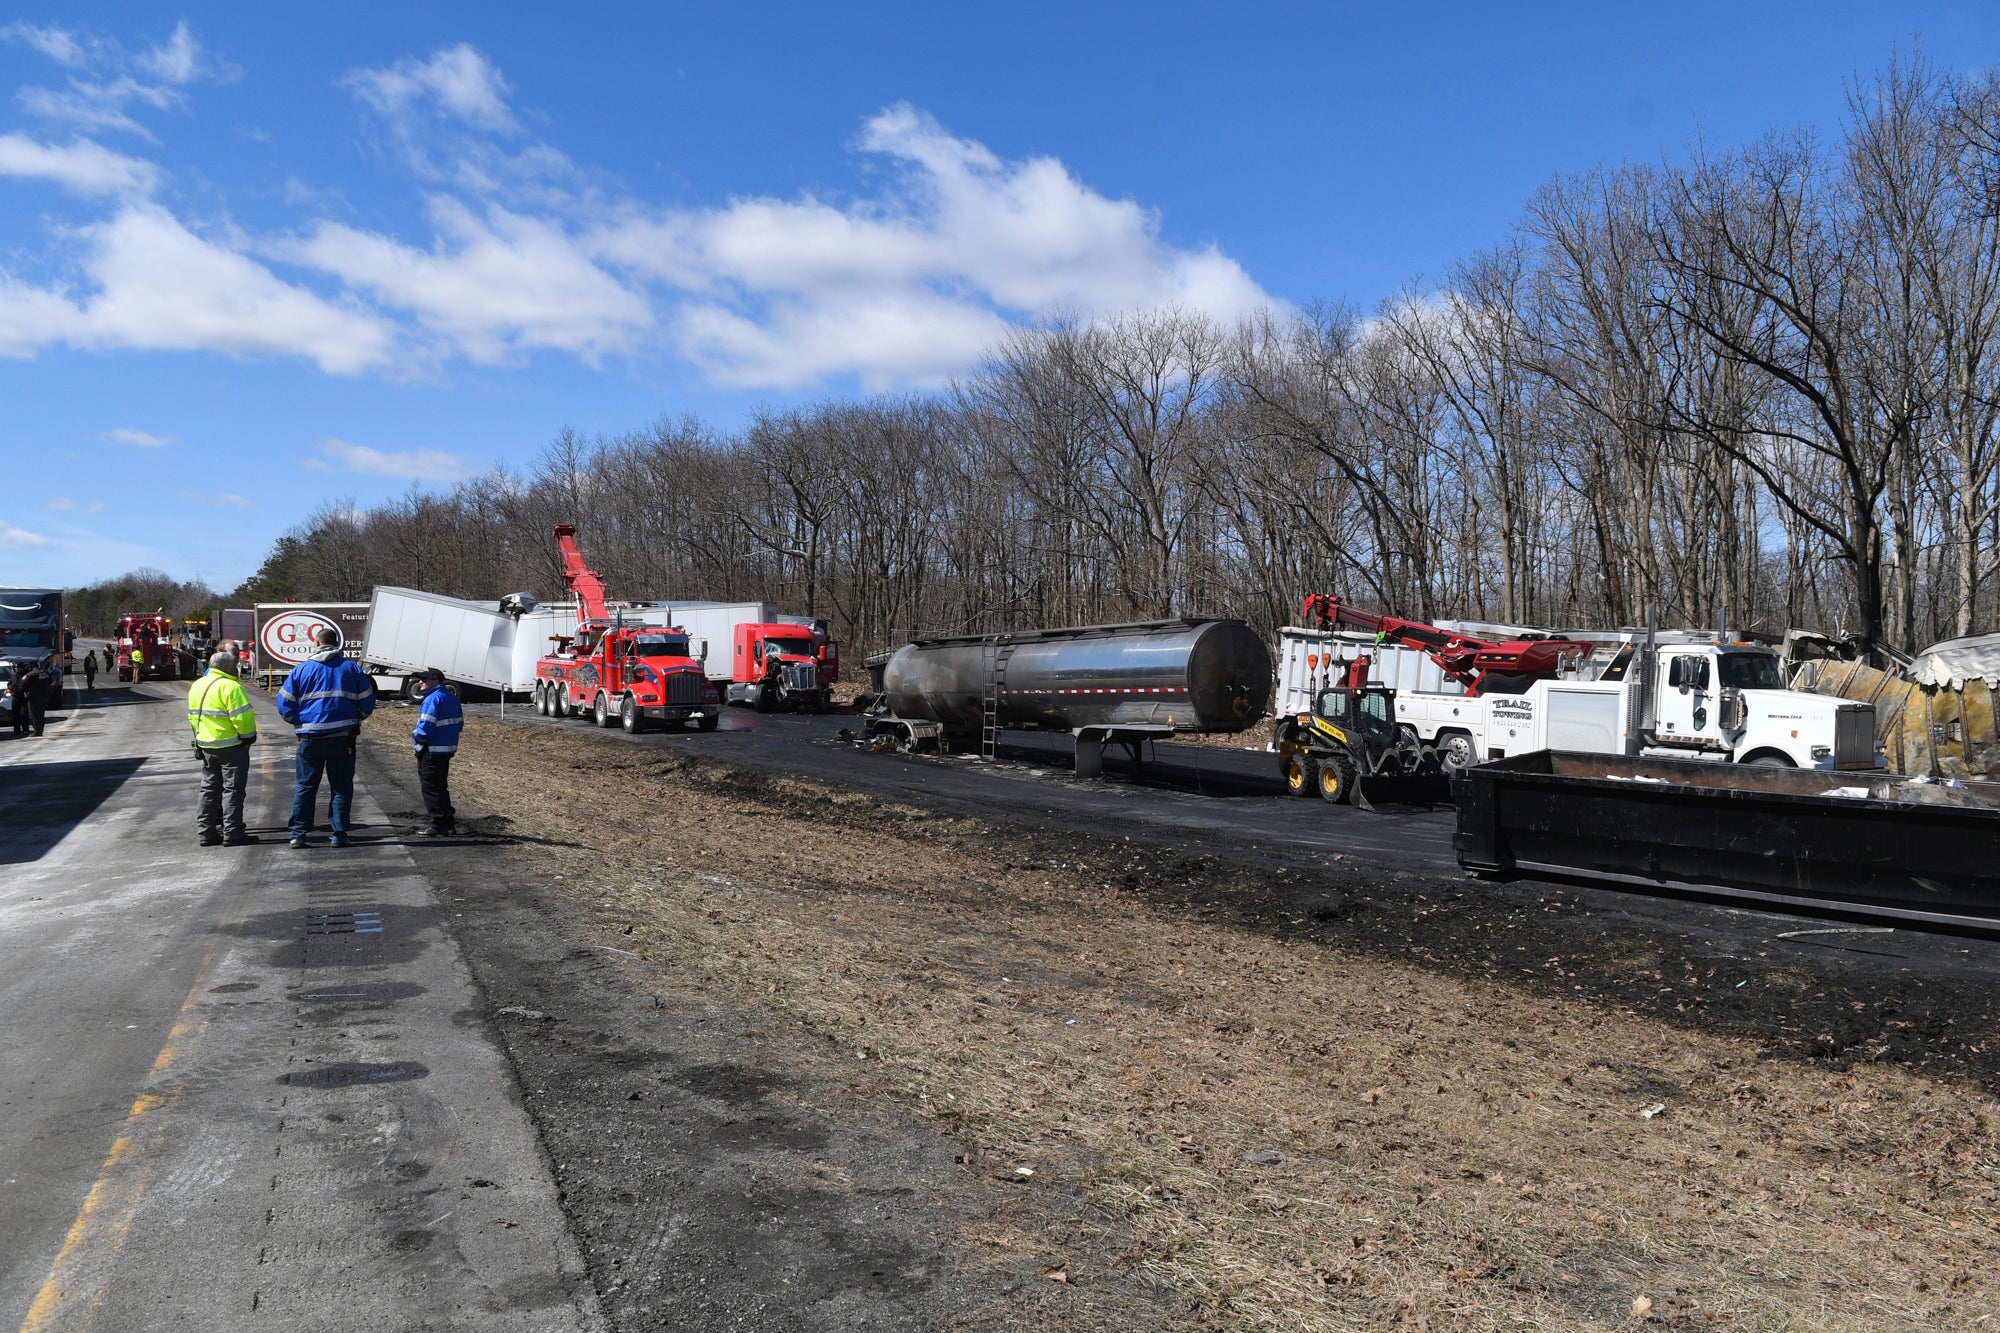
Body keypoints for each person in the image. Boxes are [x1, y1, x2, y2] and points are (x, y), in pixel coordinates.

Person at [275, 626, 375, 849]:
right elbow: (368, 702)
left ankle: (298, 834)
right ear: (336, 644)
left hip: (310, 739)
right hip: (343, 738)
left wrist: (298, 721)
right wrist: (356, 717)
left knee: (305, 787)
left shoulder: (301, 670)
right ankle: (338, 834)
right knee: (341, 787)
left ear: (316, 643)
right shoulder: (351, 669)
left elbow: (284, 705)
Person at [188, 650, 259, 846]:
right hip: (231, 746)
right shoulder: (230, 687)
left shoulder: (197, 685)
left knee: (209, 790)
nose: (236, 669)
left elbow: (193, 717)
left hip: (206, 745)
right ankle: (233, 833)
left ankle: (206, 832)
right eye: (234, 666)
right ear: (227, 667)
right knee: (233, 790)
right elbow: (242, 718)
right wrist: (248, 739)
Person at [410, 667, 463, 836]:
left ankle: (438, 824)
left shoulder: (432, 699)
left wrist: (416, 738)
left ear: (435, 681)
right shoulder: (451, 698)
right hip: (446, 750)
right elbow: (459, 724)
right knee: (441, 787)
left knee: (431, 788)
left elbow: (425, 727)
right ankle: (448, 823)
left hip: (431, 750)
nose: (420, 682)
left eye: (424, 679)